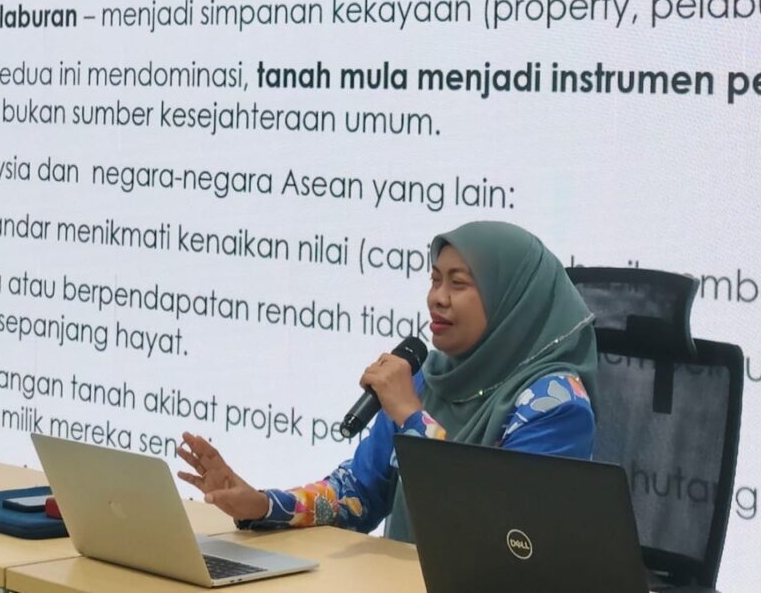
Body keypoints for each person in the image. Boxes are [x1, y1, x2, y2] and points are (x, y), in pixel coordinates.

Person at [176, 220, 597, 542]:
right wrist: (263, 504)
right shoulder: (429, 379)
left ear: (512, 301)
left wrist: (412, 416)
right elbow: (359, 494)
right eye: (434, 279)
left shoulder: (555, 405)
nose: (437, 297)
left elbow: (502, 533)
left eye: (458, 283)